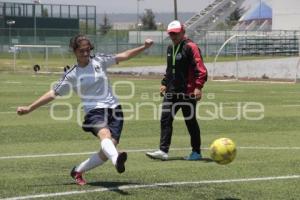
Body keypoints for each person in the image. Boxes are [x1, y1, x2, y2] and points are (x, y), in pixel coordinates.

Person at [17, 34, 154, 186]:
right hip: (94, 112)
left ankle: (78, 170)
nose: (85, 53)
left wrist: (144, 47)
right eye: (82, 50)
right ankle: (117, 160)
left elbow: (123, 56)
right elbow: (53, 93)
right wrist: (30, 108)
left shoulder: (99, 60)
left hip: (115, 109)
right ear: (75, 51)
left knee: (106, 150)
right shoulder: (72, 75)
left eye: (88, 50)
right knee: (105, 135)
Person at [146, 20, 207, 161]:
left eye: (176, 33)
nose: (173, 36)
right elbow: (170, 69)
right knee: (165, 119)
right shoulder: (170, 48)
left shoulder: (191, 47)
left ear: (183, 32)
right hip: (171, 92)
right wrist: (164, 83)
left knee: (190, 121)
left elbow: (201, 69)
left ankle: (196, 152)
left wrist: (198, 86)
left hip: (188, 92)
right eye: (171, 34)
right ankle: (163, 151)